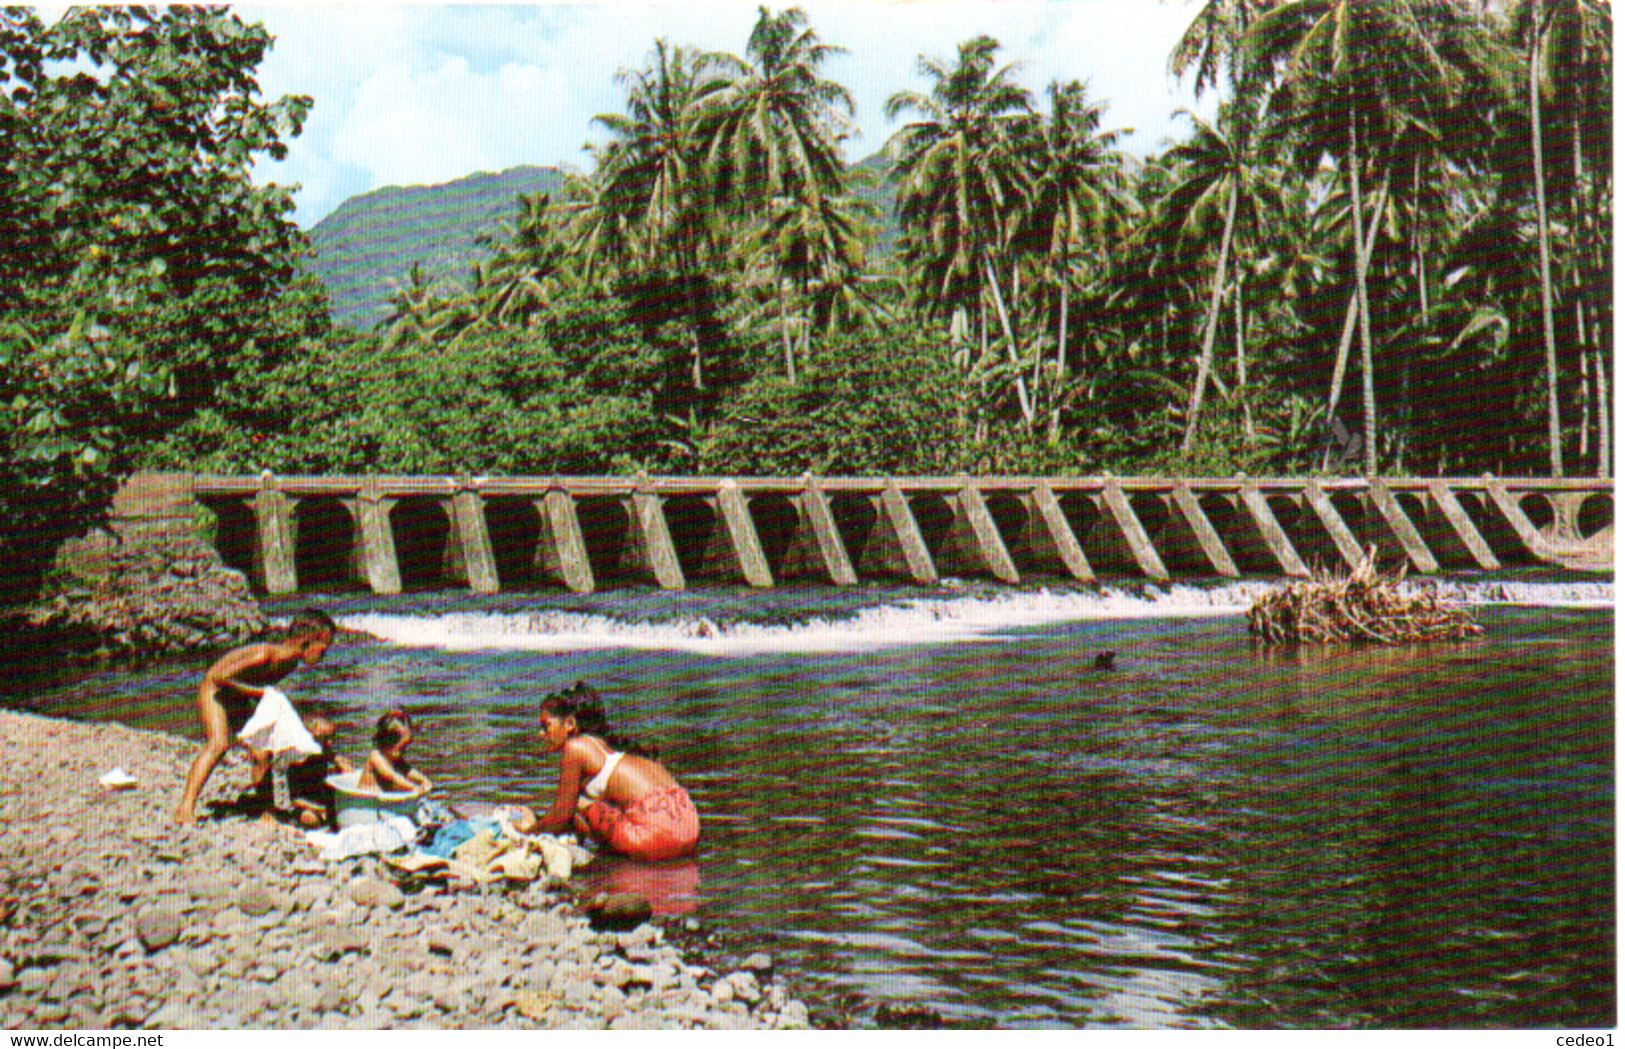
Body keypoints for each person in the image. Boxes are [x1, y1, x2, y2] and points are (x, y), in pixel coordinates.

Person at [173, 608, 337, 824]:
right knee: (219, 744)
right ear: (307, 642)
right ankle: (185, 807)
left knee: (263, 753)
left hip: (238, 695)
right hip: (215, 690)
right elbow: (219, 677)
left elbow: (261, 690)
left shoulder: (290, 662)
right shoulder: (265, 654)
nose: (324, 656)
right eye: (323, 650)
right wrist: (261, 694)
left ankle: (266, 811)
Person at [513, 682, 699, 862]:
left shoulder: (576, 746)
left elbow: (562, 816)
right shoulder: (613, 746)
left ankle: (601, 866)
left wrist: (525, 834)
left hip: (657, 836)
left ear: (570, 723)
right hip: (688, 827)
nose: (541, 733)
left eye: (546, 725)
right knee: (585, 807)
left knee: (576, 805)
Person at [285, 716, 354, 828]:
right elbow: (295, 800)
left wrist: (344, 767)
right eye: (325, 738)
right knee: (310, 819)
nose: (330, 743)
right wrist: (321, 809)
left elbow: (343, 764)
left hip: (320, 800)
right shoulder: (296, 761)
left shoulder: (323, 752)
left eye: (332, 738)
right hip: (304, 805)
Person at [358, 709, 432, 794]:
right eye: (402, 748)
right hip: (365, 800)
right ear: (387, 742)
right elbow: (393, 777)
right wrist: (414, 788)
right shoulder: (376, 757)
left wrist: (424, 780)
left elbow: (408, 770)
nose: (404, 752)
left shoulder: (394, 758)